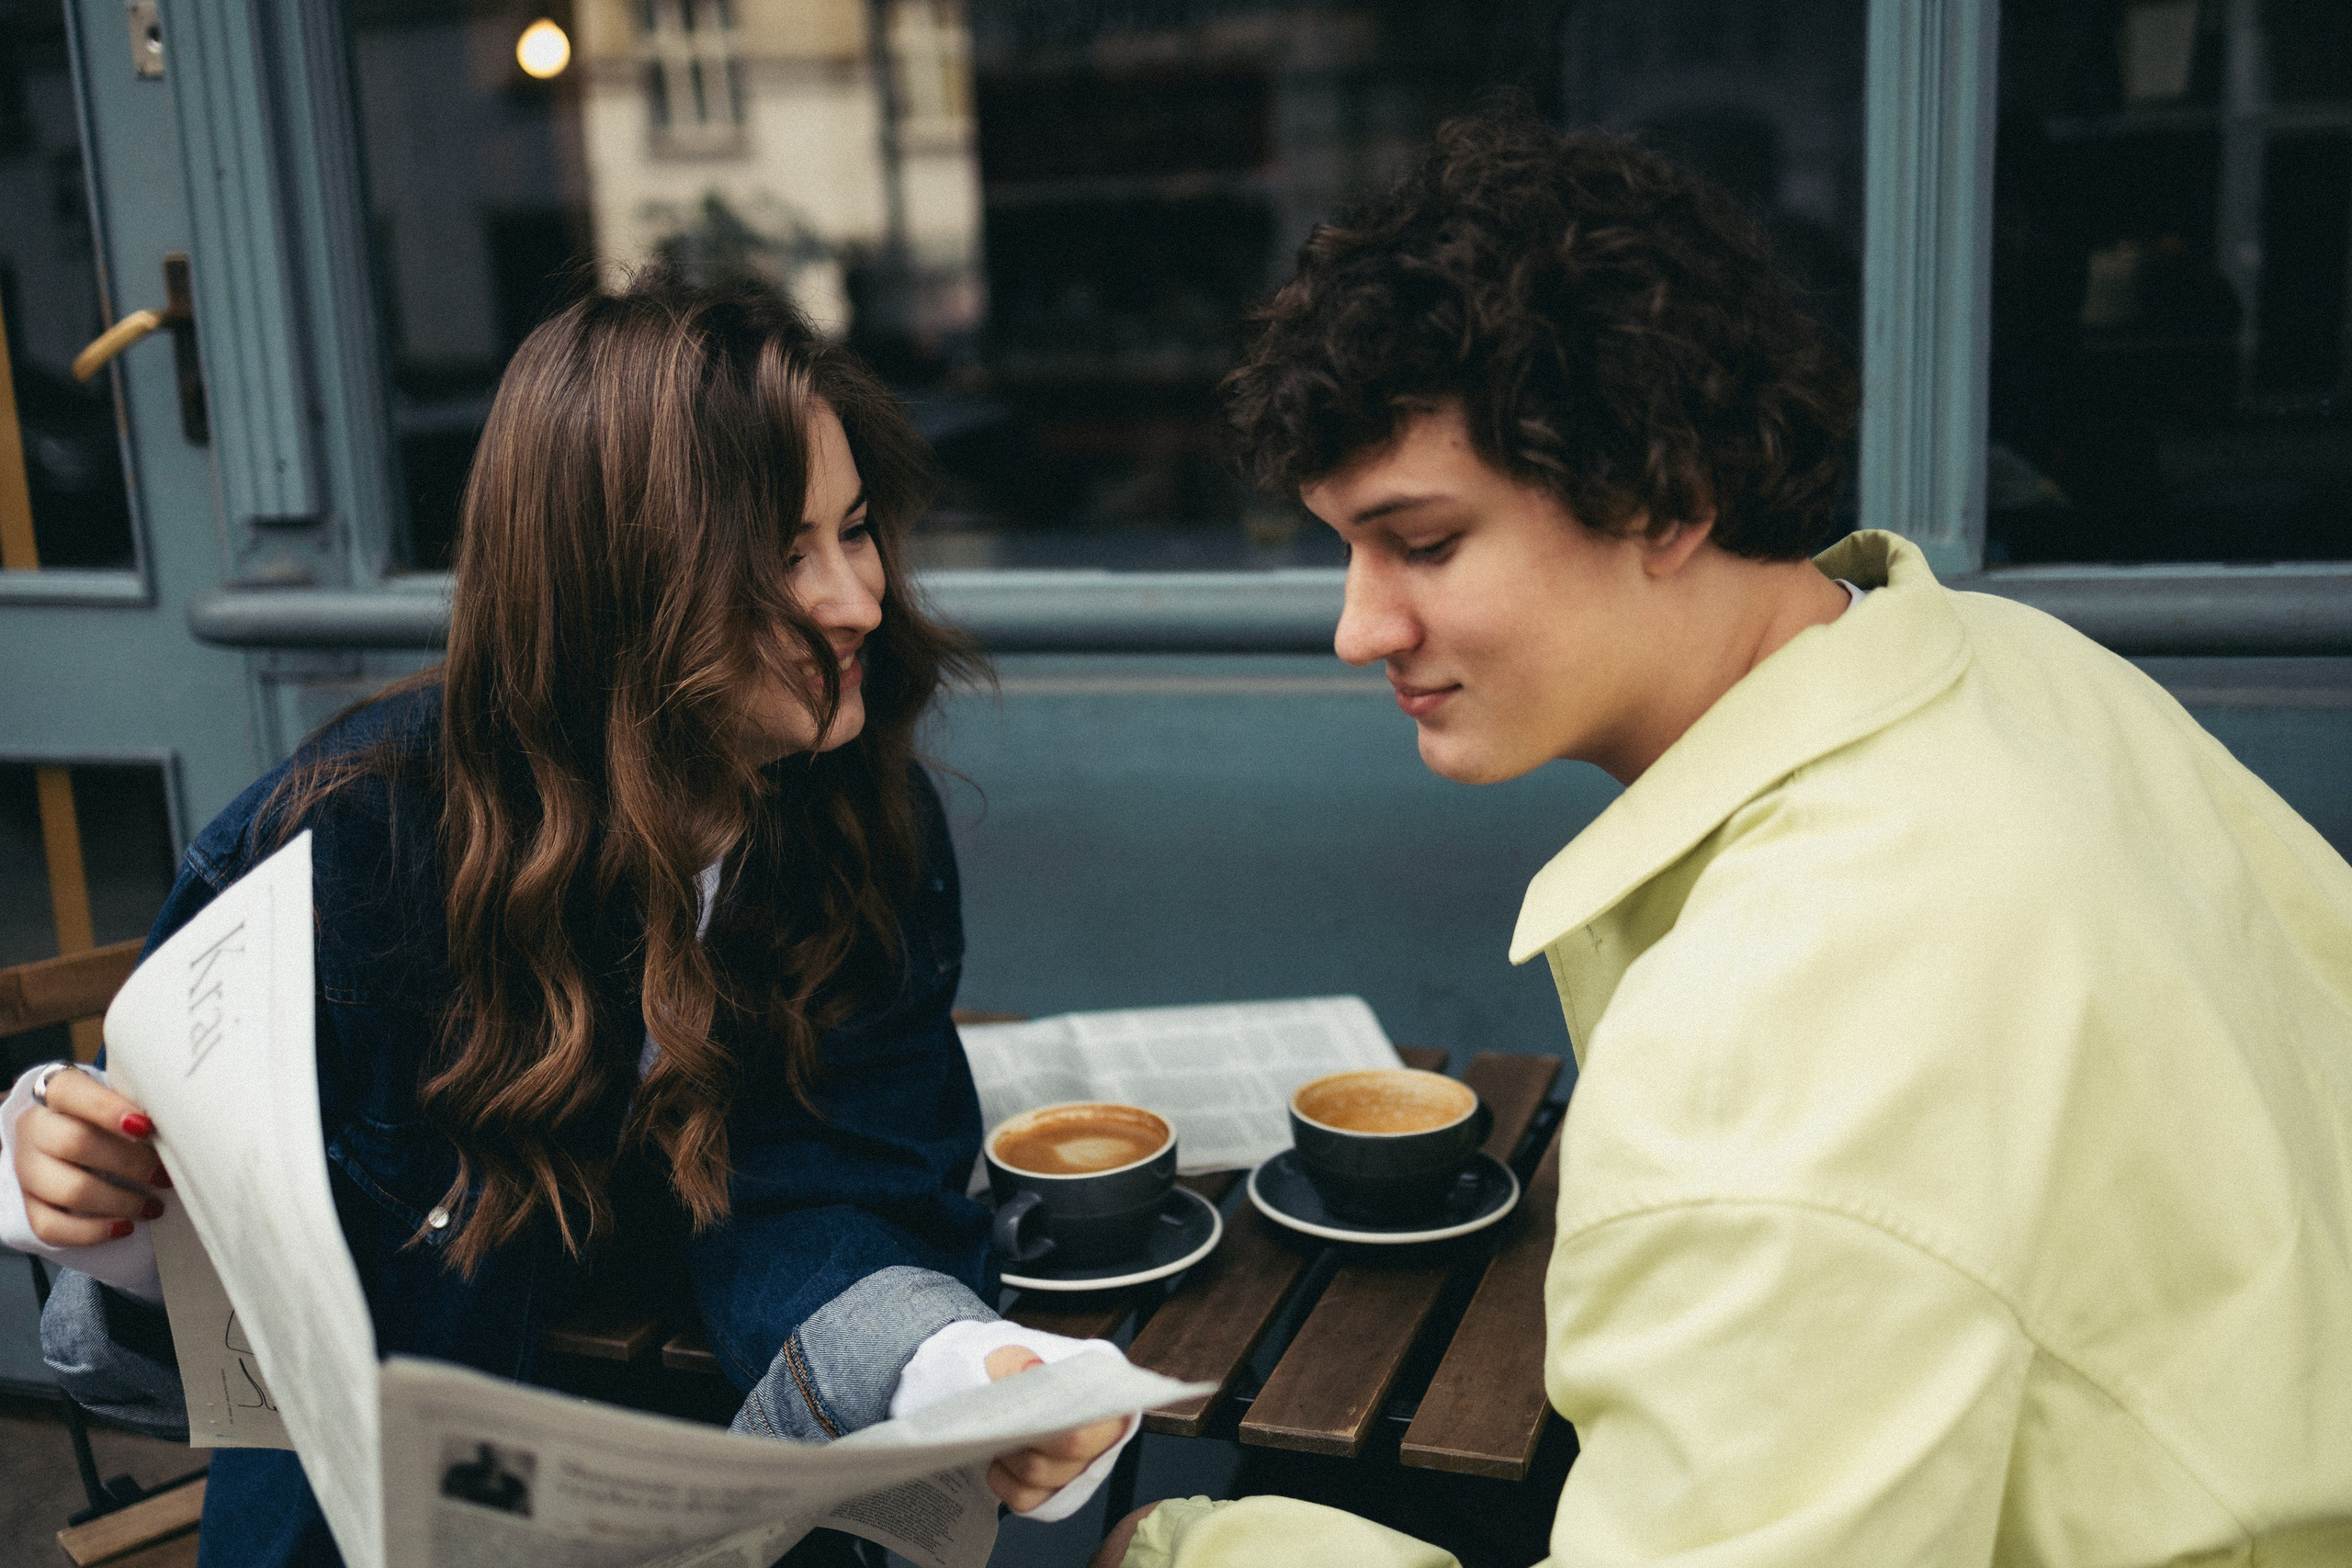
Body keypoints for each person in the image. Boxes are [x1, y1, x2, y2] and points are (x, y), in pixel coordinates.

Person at [1096, 115, 2352, 1568]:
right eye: (1346, 548)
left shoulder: (1780, 1030)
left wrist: (1194, 1551)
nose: (1357, 626)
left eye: (1425, 543)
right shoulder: (2014, 666)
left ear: (1666, 496)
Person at [1, 276, 1134, 1566]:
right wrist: (90, 1193)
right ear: (619, 591)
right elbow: (216, 1297)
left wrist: (951, 1365)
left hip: (713, 1486)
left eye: (857, 530)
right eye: (781, 556)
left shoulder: (860, 821)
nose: (860, 600)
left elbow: (840, 1184)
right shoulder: (348, 852)